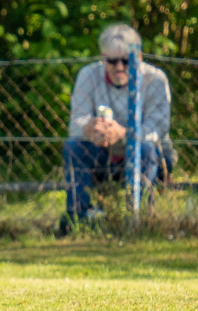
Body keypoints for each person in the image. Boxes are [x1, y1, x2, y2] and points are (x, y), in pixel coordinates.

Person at [60, 23, 176, 233]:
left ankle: (138, 221)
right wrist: (89, 128)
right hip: (103, 151)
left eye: (126, 60)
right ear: (103, 57)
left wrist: (124, 134)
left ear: (138, 57)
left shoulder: (156, 79)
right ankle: (79, 218)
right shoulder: (88, 75)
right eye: (112, 61)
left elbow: (157, 128)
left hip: (150, 155)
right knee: (73, 147)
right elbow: (76, 123)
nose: (119, 67)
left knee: (147, 149)